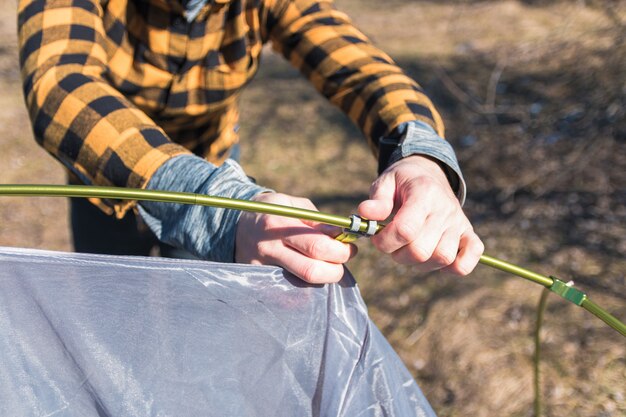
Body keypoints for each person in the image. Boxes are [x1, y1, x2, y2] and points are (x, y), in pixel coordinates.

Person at [17, 0, 484, 284]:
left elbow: (361, 69)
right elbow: (61, 86)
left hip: (217, 164)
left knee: (203, 317)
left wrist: (421, 155)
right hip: (108, 184)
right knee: (111, 309)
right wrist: (218, 208)